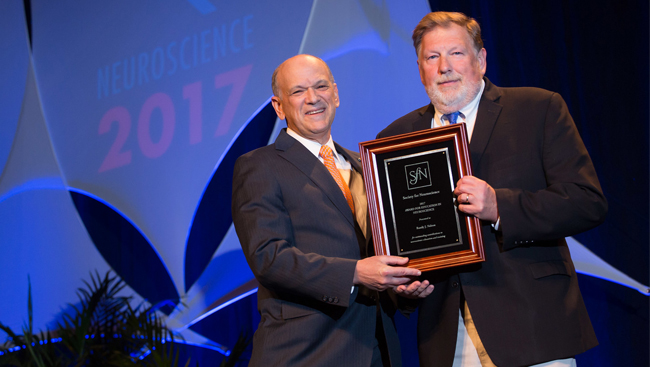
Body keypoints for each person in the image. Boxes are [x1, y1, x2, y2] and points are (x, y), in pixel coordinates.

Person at [377, 12, 607, 367]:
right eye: (431, 57)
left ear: (481, 60)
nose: (444, 68)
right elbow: (397, 239)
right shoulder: (395, 139)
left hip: (532, 325)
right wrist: (402, 286)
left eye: (456, 53)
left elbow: (586, 201)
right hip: (445, 335)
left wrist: (501, 207)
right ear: (420, 68)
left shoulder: (537, 108)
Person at [232, 54, 434, 367]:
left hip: (378, 349)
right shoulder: (259, 166)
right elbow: (269, 258)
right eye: (298, 91)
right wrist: (355, 272)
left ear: (336, 94)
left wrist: (402, 286)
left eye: (320, 86)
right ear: (279, 106)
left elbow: (378, 251)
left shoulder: (366, 166)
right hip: (306, 353)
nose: (313, 98)